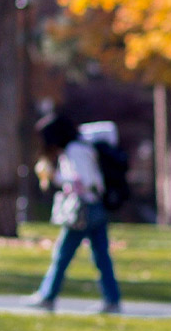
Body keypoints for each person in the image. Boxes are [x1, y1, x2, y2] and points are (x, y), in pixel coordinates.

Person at [27, 112, 121, 314]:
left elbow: (83, 182)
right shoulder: (83, 144)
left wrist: (55, 177)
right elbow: (109, 129)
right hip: (97, 207)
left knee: (63, 254)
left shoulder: (75, 150)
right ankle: (112, 299)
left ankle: (48, 295)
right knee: (101, 256)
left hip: (83, 209)